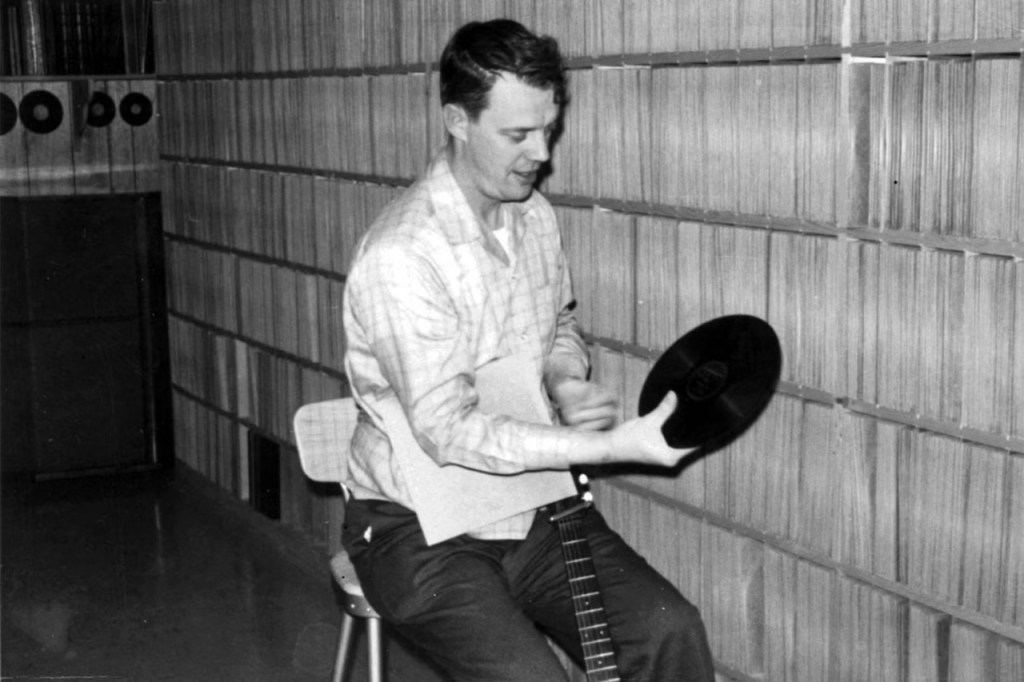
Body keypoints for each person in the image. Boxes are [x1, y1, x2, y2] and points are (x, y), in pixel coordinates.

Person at [340, 19, 715, 681]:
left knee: (668, 629)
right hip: (418, 529)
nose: (540, 152)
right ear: (457, 121)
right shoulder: (403, 256)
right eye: (517, 134)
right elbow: (448, 431)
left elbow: (558, 325)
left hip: (530, 507)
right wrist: (609, 446)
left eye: (548, 128)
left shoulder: (533, 216)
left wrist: (564, 378)